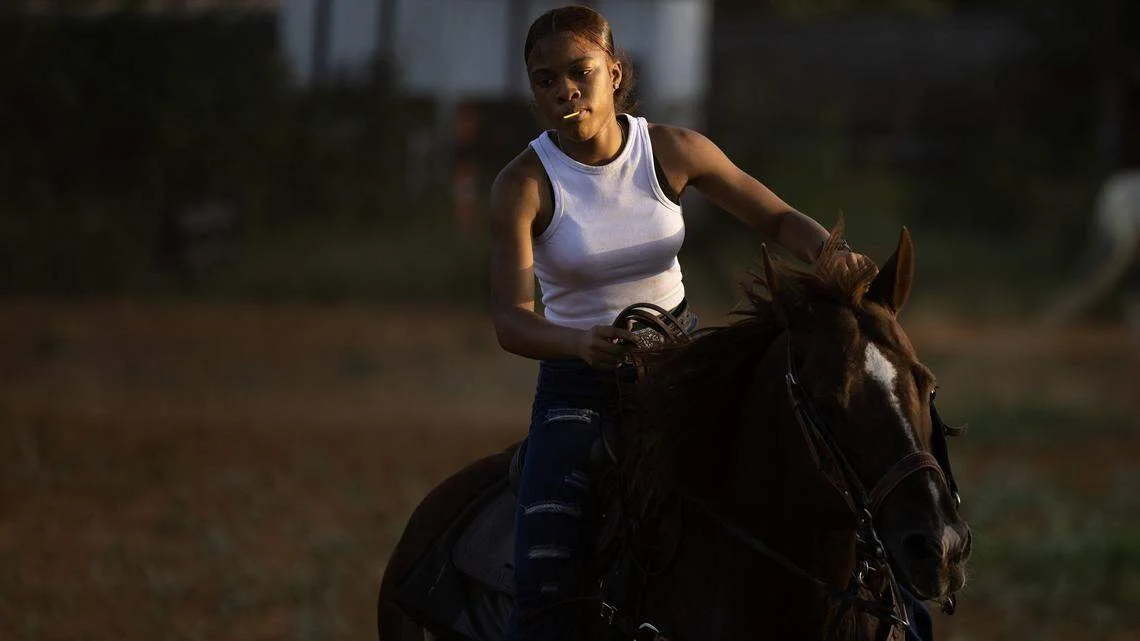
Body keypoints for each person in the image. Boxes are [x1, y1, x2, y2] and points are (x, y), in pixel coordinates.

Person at [488, 6, 887, 641]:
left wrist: (833, 254)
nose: (564, 90)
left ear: (613, 73)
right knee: (544, 582)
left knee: (822, 480)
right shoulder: (525, 185)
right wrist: (578, 343)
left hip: (682, 367)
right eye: (544, 79)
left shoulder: (672, 150)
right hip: (577, 390)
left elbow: (778, 218)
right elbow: (511, 322)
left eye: (579, 71)